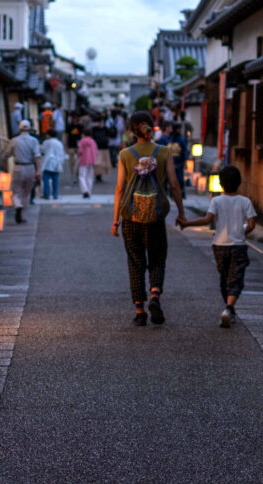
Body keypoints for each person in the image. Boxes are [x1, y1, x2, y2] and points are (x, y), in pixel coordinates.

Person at [112, 110, 186, 327]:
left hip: (131, 216)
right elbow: (174, 185)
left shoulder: (125, 154)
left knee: (135, 262)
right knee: (157, 257)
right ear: (151, 127)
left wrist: (115, 219)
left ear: (132, 130)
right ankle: (155, 295)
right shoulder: (163, 152)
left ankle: (139, 311)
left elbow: (119, 189)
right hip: (155, 216)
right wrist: (181, 213)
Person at [176, 165, 256, 327]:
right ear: (239, 183)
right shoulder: (245, 202)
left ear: (220, 184)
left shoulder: (217, 201)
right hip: (238, 246)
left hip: (219, 245)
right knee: (236, 278)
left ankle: (229, 309)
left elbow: (207, 220)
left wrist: (187, 223)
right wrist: (243, 233)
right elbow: (252, 224)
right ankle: (229, 308)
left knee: (224, 277)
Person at [2, 119, 41, 223]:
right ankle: (22, 216)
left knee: (15, 192)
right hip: (30, 168)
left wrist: (4, 166)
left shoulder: (14, 140)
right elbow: (37, 156)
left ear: (19, 129)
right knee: (27, 193)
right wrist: (38, 171)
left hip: (18, 168)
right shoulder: (34, 141)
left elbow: (6, 155)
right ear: (29, 129)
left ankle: (18, 205)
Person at [158, 122, 188, 191]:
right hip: (168, 162)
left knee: (178, 180)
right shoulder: (165, 138)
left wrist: (184, 160)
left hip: (178, 162)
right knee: (168, 181)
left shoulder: (180, 139)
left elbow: (184, 151)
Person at [40, 130, 65, 200]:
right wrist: (61, 162)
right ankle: (55, 194)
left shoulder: (46, 142)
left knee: (46, 180)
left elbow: (42, 151)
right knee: (55, 180)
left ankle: (46, 194)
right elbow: (61, 153)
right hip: (56, 163)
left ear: (49, 135)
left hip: (47, 163)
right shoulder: (59, 143)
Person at [77, 132, 98, 198]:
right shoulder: (93, 142)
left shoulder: (81, 141)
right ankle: (89, 191)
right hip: (92, 161)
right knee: (90, 177)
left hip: (83, 160)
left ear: (84, 134)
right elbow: (96, 151)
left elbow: (80, 151)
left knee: (82, 176)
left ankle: (84, 190)